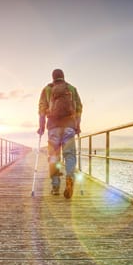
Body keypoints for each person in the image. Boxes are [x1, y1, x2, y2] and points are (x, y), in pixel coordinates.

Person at [37, 69, 83, 198]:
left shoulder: (47, 89)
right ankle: (69, 177)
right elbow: (79, 109)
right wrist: (77, 125)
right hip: (69, 127)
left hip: (53, 127)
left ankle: (55, 187)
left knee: (53, 156)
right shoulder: (72, 89)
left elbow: (41, 110)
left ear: (53, 78)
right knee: (69, 155)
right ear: (63, 77)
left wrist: (41, 126)